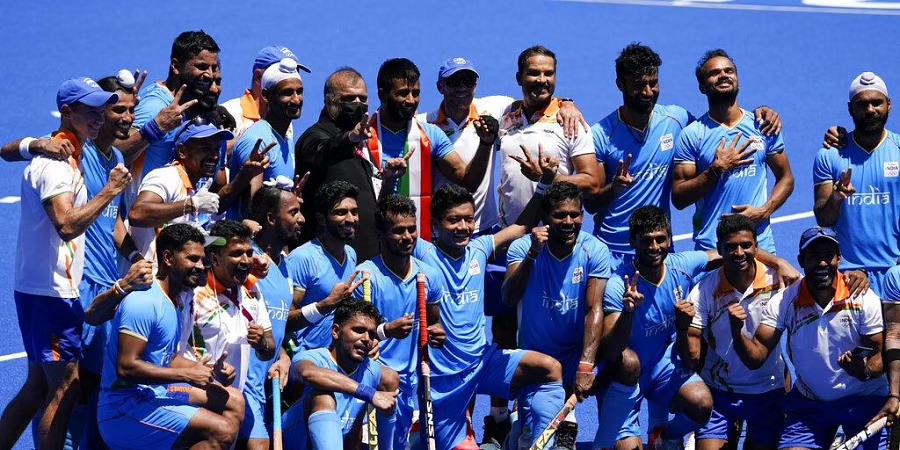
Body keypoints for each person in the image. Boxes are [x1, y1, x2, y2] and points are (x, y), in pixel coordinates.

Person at [596, 208, 801, 450]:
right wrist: (629, 312)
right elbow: (612, 352)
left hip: (663, 367)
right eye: (646, 240)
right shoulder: (618, 285)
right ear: (633, 241)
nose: (654, 247)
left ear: (670, 240)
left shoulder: (682, 265)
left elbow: (731, 252)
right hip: (627, 377)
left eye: (660, 239)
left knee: (702, 403)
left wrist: (778, 261)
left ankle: (666, 436)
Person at [0, 77, 130, 450]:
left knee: (37, 386)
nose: (99, 118)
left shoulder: (66, 154)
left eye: (100, 109)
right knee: (65, 386)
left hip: (40, 287)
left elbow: (8, 150)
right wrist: (110, 191)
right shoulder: (56, 165)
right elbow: (66, 224)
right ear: (68, 113)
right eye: (90, 111)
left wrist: (33, 143)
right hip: (52, 292)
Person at [590, 43, 782, 270]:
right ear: (620, 84)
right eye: (639, 85)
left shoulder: (677, 120)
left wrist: (762, 111)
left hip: (658, 248)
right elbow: (591, 204)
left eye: (653, 83)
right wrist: (614, 188)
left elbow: (716, 122)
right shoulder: (601, 134)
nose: (648, 92)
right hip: (613, 250)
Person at [414, 170, 568, 449]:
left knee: (548, 369)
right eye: (453, 220)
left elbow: (520, 227)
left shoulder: (479, 248)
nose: (463, 227)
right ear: (435, 225)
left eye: (468, 219)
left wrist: (544, 183)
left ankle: (530, 440)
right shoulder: (423, 254)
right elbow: (391, 227)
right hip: (444, 380)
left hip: (483, 363)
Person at [732, 227, 889, 450]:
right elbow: (756, 356)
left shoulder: (863, 297)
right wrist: (736, 332)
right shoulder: (785, 301)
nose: (822, 263)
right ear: (801, 260)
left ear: (839, 258)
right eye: (814, 256)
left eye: (828, 255)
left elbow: (880, 353)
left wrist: (863, 370)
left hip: (864, 400)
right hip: (810, 402)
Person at [96, 223, 246, 449]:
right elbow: (127, 367)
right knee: (221, 431)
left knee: (233, 400)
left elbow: (165, 357)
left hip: (153, 393)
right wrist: (187, 376)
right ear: (168, 258)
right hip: (123, 407)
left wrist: (206, 371)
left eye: (203, 260)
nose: (202, 266)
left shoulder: (177, 302)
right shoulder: (144, 302)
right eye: (193, 259)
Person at [503, 181, 610, 449]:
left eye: (575, 214)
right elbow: (509, 296)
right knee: (539, 424)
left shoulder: (594, 250)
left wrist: (586, 365)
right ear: (545, 218)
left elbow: (594, 309)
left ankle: (610, 435)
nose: (569, 221)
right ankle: (522, 420)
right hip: (536, 361)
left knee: (625, 364)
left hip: (575, 357)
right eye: (560, 215)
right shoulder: (522, 248)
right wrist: (532, 255)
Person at [679, 215, 787, 450]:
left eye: (746, 245)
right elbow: (693, 354)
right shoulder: (703, 290)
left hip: (767, 390)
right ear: (719, 249)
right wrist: (681, 327)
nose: (739, 252)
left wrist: (855, 277)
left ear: (756, 247)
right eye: (731, 247)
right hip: (720, 393)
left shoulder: (779, 282)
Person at [672, 49, 794, 253]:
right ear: (702, 87)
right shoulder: (692, 135)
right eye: (715, 73)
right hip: (712, 250)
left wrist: (765, 210)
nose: (723, 75)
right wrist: (716, 169)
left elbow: (786, 177)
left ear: (737, 80)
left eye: (729, 71)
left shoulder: (763, 126)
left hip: (759, 247)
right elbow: (679, 198)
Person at [360, 58, 494, 242]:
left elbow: (468, 181)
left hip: (419, 247)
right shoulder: (361, 136)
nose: (411, 100)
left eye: (415, 93)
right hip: (370, 243)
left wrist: (486, 144)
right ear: (382, 94)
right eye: (403, 93)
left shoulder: (431, 134)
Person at [352, 194, 447, 450]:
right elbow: (351, 338)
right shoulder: (365, 276)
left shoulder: (430, 275)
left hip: (412, 382)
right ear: (381, 235)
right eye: (398, 231)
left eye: (411, 229)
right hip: (370, 379)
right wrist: (386, 331)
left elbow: (433, 325)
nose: (408, 237)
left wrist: (437, 334)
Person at [128, 119, 268, 263]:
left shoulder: (194, 189)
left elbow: (200, 242)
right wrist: (192, 204)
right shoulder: (167, 176)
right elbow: (137, 213)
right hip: (147, 278)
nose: (214, 156)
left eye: (216, 149)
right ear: (182, 151)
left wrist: (236, 235)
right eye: (205, 148)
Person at [813, 71, 900, 297]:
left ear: (889, 105)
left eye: (877, 103)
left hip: (896, 272)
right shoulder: (829, 156)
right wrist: (836, 197)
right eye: (862, 104)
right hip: (849, 274)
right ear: (850, 109)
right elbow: (823, 218)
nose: (870, 110)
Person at [498, 46, 600, 230]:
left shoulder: (571, 121)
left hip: (552, 237)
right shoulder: (505, 115)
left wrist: (546, 178)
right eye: (534, 73)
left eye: (549, 74)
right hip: (507, 235)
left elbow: (592, 184)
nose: (542, 80)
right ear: (518, 78)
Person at [238, 183, 304, 449]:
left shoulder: (286, 265)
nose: (302, 219)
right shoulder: (243, 255)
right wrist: (242, 228)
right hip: (240, 382)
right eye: (294, 212)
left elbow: (277, 324)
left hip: (267, 385)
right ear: (270, 219)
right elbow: (207, 242)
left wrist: (284, 356)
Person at [282, 300, 400, 449]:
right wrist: (369, 393)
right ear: (336, 331)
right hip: (290, 442)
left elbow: (391, 379)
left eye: (372, 334)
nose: (366, 339)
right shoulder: (311, 358)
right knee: (323, 398)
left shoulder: (370, 371)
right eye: (358, 330)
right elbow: (308, 374)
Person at [180, 220, 276, 392]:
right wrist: (211, 372)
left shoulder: (252, 289)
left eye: (249, 253)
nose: (246, 261)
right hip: (194, 391)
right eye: (237, 253)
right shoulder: (193, 292)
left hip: (235, 396)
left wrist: (262, 344)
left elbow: (270, 348)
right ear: (215, 258)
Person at [293, 68, 376, 259]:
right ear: (330, 102)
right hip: (327, 263)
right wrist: (351, 138)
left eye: (362, 99)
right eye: (349, 99)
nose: (357, 105)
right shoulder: (313, 137)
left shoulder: (366, 143)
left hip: (367, 262)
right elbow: (324, 150)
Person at [123, 30, 223, 180]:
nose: (210, 75)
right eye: (202, 67)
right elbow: (115, 155)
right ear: (176, 66)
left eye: (213, 67)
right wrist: (156, 128)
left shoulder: (194, 104)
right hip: (144, 201)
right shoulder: (155, 106)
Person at [286, 181, 364, 354]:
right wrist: (326, 305)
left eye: (354, 212)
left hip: (338, 359)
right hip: (304, 360)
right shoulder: (302, 258)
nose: (350, 219)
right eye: (341, 213)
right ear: (322, 218)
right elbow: (283, 320)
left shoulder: (351, 254)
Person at [230, 58, 305, 218]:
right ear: (266, 95)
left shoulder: (287, 139)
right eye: (287, 93)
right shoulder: (257, 140)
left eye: (299, 91)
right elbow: (253, 209)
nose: (296, 99)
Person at [222, 45, 310, 141]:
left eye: (295, 72)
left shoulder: (285, 119)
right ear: (258, 77)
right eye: (283, 72)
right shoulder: (231, 114)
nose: (291, 78)